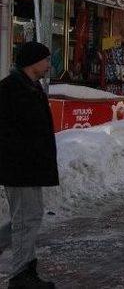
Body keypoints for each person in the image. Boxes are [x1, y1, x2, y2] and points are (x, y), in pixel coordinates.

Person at [0, 41, 58, 288]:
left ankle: (26, 270)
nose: (48, 64)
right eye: (46, 60)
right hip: (20, 167)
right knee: (26, 219)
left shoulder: (31, 86)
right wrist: (20, 155)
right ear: (33, 61)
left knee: (28, 217)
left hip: (31, 166)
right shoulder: (11, 88)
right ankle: (20, 276)